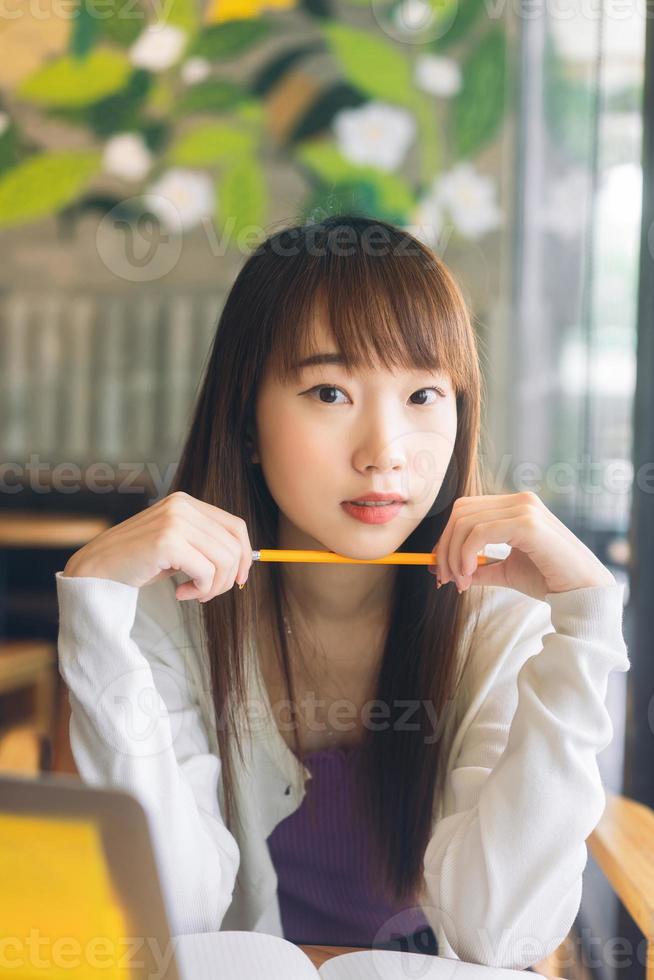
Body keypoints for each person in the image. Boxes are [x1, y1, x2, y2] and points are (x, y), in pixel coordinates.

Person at [56, 214, 629, 969]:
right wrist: (98, 609)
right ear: (247, 422)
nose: (384, 454)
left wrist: (585, 627)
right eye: (329, 392)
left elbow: (504, 936)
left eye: (424, 395)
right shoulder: (173, 613)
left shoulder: (500, 615)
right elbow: (172, 916)